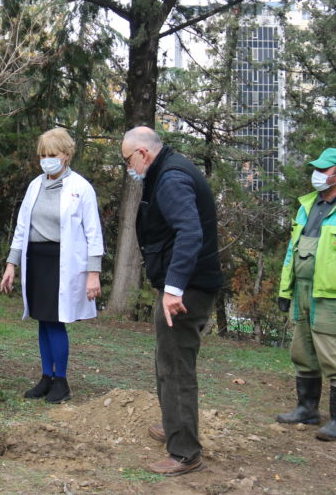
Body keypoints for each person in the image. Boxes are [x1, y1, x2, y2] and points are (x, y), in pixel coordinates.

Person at [122, 126, 222, 477]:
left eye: (128, 160)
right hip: (182, 284)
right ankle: (173, 424)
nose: (128, 168)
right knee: (168, 357)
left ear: (143, 154)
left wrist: (175, 288)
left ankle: (184, 452)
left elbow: (190, 232)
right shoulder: (170, 168)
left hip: (188, 288)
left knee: (177, 365)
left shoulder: (170, 179)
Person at [275, 147, 336, 441]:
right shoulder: (307, 207)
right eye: (316, 169)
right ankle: (306, 409)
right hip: (303, 294)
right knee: (302, 353)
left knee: (335, 359)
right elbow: (292, 252)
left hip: (332, 298)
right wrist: (285, 290)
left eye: (323, 170)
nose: (316, 175)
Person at [0, 128, 104, 404]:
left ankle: (62, 381)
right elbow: (22, 227)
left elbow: (94, 233)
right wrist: (12, 263)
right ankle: (46, 377)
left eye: (52, 155)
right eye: (42, 155)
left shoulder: (81, 188)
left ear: (66, 155)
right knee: (42, 320)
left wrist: (94, 273)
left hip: (63, 262)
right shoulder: (35, 185)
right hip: (37, 259)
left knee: (56, 321)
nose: (47, 160)